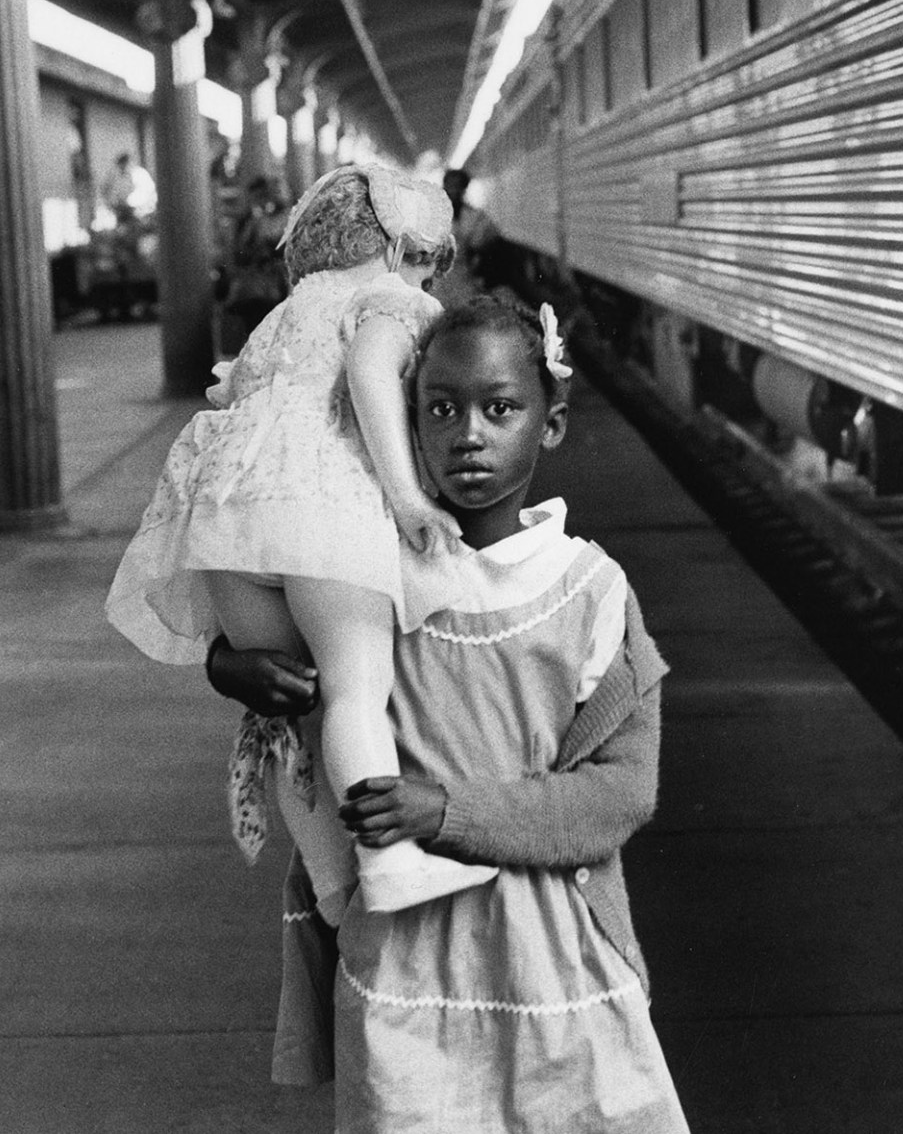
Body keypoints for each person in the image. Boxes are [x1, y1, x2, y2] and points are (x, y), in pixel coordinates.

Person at [209, 295, 689, 1130]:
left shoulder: (589, 592)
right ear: (404, 421)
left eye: (500, 408)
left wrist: (445, 810)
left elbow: (621, 793)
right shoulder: (360, 575)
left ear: (552, 424)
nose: (468, 433)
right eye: (439, 408)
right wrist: (231, 665)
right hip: (406, 962)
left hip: (559, 960)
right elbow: (250, 608)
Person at [107, 162, 497, 922]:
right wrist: (409, 495)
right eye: (426, 261)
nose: (429, 283)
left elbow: (229, 399)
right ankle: (387, 864)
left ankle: (329, 888)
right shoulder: (387, 303)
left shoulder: (279, 316)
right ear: (393, 249)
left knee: (290, 718)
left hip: (224, 526)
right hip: (320, 507)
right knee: (355, 692)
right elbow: (369, 373)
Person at [218, 175, 291, 354]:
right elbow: (240, 252)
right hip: (261, 287)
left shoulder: (282, 217)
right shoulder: (252, 219)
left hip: (275, 284)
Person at [440, 167, 511, 297]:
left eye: (458, 187)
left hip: (465, 277)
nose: (454, 191)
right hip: (437, 279)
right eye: (450, 186)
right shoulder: (432, 213)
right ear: (444, 186)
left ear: (464, 189)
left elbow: (486, 240)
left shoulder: (476, 216)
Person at [99, 150, 157, 226]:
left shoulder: (139, 173)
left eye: (123, 165)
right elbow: (110, 191)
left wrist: (129, 201)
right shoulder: (117, 176)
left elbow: (146, 192)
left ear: (128, 163)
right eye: (120, 166)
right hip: (122, 211)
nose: (122, 168)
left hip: (140, 211)